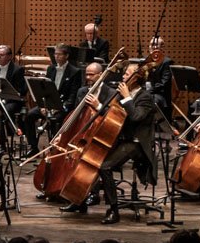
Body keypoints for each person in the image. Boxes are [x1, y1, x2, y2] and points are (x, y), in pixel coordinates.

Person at [65, 59, 158, 224]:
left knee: (104, 166)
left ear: (136, 78)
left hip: (136, 143)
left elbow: (136, 117)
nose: (123, 76)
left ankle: (114, 210)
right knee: (91, 157)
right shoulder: (122, 92)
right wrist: (101, 106)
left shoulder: (145, 97)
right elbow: (111, 114)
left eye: (127, 74)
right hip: (120, 137)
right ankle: (79, 199)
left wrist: (127, 98)